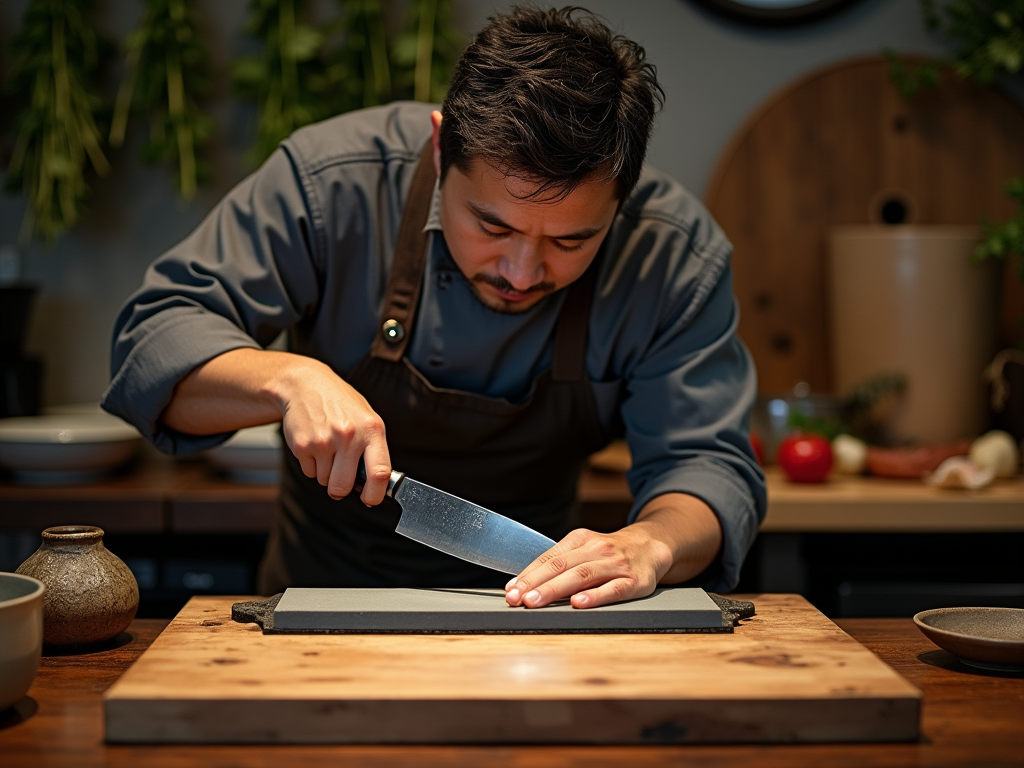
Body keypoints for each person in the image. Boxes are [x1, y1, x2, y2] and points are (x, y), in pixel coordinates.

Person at [102, 6, 766, 609]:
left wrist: (651, 544)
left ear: (622, 199)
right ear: (441, 147)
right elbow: (150, 345)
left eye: (571, 240)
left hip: (545, 620)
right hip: (317, 611)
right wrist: (289, 379)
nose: (521, 271)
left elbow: (708, 468)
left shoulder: (673, 254)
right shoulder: (332, 183)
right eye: (493, 226)